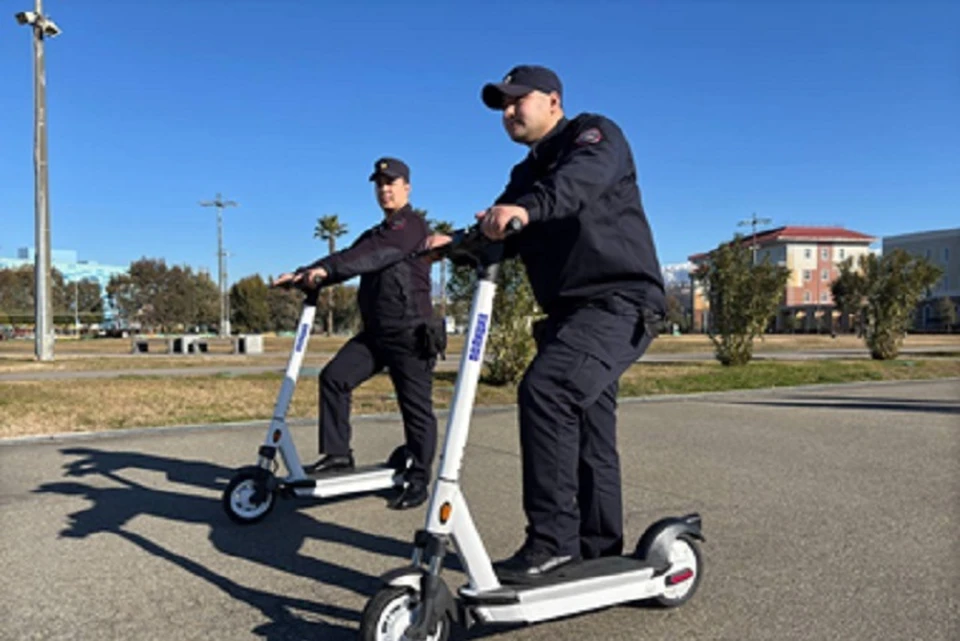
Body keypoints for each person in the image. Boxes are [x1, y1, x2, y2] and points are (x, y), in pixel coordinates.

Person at [428, 65, 666, 581]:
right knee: (587, 426)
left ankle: (553, 542)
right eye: (502, 106)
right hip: (571, 314)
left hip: (619, 301)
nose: (509, 112)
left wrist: (523, 211)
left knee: (548, 391)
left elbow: (575, 186)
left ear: (553, 101)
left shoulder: (592, 136)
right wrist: (455, 242)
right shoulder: (526, 173)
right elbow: (505, 224)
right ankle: (600, 550)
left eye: (518, 100)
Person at [275, 157, 443, 510]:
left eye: (391, 183)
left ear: (406, 188)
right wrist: (304, 273)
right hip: (377, 333)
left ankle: (419, 477)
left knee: (416, 408)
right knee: (334, 378)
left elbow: (370, 258)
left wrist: (327, 268)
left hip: (411, 333)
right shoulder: (375, 233)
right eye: (379, 184)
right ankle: (338, 455)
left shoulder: (411, 226)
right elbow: (352, 255)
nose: (384, 190)